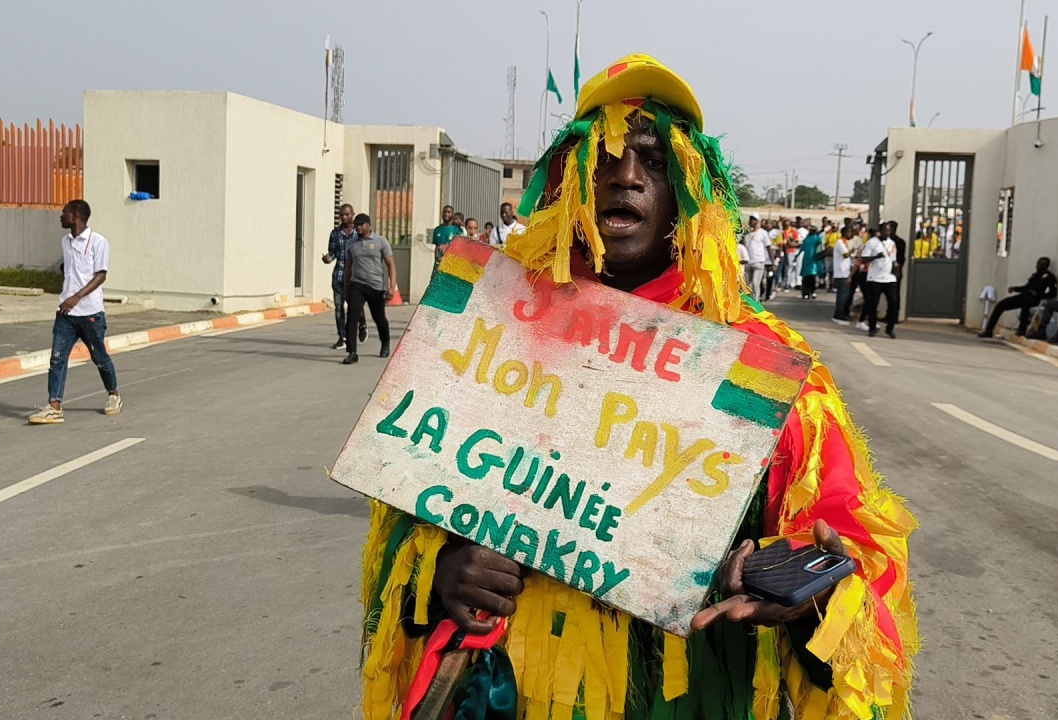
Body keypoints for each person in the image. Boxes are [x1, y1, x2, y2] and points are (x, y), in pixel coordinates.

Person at [357, 53, 917, 720]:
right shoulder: (492, 325)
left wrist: (814, 588)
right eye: (607, 157)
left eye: (653, 161)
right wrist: (439, 572)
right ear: (569, 182)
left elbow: (849, 540)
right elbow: (403, 517)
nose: (625, 176)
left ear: (689, 191)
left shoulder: (761, 361)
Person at [29, 200, 121, 424]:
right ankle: (55, 407)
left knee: (99, 357)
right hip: (66, 314)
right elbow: (71, 268)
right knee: (57, 358)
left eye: (64, 213)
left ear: (76, 215)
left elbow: (101, 275)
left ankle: (114, 395)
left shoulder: (99, 242)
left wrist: (77, 296)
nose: (61, 216)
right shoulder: (65, 241)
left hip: (90, 313)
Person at [341, 214, 397, 364]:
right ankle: (352, 352)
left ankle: (385, 343)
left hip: (376, 286)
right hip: (357, 284)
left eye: (361, 225)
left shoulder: (380, 241)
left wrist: (392, 287)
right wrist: (346, 288)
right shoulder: (351, 244)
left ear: (369, 225)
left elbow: (390, 264)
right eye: (356, 225)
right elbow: (348, 268)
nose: (358, 228)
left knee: (379, 319)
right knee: (352, 317)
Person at [977, 256, 1058, 338]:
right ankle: (988, 330)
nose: (1036, 266)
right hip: (1024, 296)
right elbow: (1026, 287)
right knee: (1001, 305)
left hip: (1036, 300)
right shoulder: (1035, 276)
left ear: (1045, 266)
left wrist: (1037, 294)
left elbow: (1052, 294)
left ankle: (1022, 329)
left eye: (1039, 265)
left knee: (1025, 304)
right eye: (1037, 264)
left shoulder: (1050, 278)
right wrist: (1015, 289)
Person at [322, 202, 364, 350]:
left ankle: (362, 325)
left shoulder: (359, 234)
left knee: (355, 305)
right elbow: (332, 253)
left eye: (347, 214)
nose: (344, 217)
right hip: (339, 275)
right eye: (341, 215)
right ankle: (343, 337)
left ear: (352, 215)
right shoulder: (335, 233)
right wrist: (327, 258)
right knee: (339, 307)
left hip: (355, 276)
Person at [860, 221, 899, 338]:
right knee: (873, 304)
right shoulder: (872, 243)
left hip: (889, 278)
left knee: (893, 302)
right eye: (885, 230)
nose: (887, 232)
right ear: (880, 231)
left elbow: (893, 259)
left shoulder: (892, 243)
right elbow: (864, 259)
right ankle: (872, 327)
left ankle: (890, 328)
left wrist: (896, 271)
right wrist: (876, 256)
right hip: (875, 278)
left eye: (889, 230)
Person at [831, 224, 858, 324]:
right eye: (849, 232)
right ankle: (838, 315)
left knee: (846, 295)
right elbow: (846, 254)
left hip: (846, 272)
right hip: (841, 273)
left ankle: (843, 313)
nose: (851, 234)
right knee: (842, 296)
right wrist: (854, 251)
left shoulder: (846, 243)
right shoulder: (840, 242)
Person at [793, 224, 823, 299]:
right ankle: (805, 292)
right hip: (807, 259)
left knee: (812, 276)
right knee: (806, 277)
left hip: (813, 259)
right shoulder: (807, 238)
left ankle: (813, 291)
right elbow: (802, 247)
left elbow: (820, 246)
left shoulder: (817, 238)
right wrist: (797, 255)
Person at [886, 221, 907, 319]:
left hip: (894, 272)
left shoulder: (899, 242)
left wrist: (897, 270)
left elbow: (901, 259)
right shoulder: (885, 241)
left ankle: (894, 316)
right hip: (884, 271)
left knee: (894, 296)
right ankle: (888, 315)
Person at [432, 205, 460, 271]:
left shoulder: (457, 230)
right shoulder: (437, 230)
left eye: (449, 212)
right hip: (439, 265)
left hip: (451, 265)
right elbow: (436, 247)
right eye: (444, 212)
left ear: (453, 214)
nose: (446, 214)